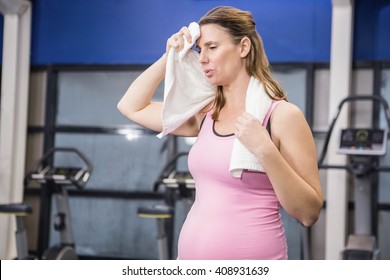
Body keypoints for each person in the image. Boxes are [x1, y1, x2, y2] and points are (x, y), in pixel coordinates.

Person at [118, 6, 323, 260]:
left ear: (243, 47)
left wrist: (265, 149)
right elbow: (130, 107)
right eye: (199, 49)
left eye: (212, 47)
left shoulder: (282, 116)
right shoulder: (206, 114)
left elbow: (308, 213)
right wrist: (169, 55)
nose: (202, 58)